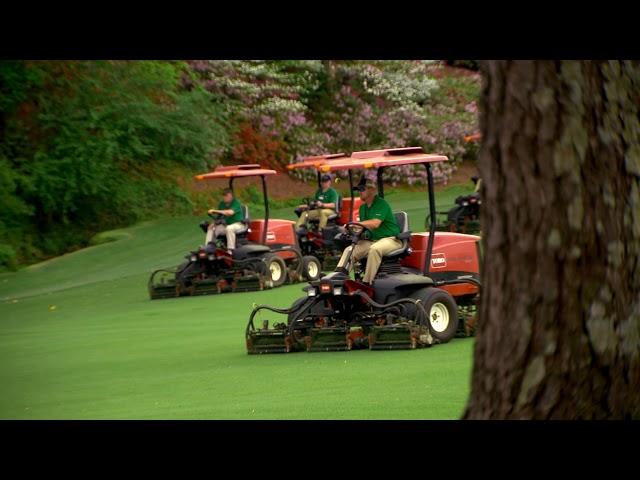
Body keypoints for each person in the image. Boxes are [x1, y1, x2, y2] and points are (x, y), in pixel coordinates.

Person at [335, 179, 401, 285]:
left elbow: (375, 223)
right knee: (350, 249)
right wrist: (350, 228)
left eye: (362, 189)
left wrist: (357, 224)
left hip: (391, 239)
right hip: (372, 240)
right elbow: (364, 228)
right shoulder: (363, 208)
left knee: (374, 249)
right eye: (358, 190)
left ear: (371, 190)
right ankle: (338, 278)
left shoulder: (381, 204)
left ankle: (367, 283)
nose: (359, 192)